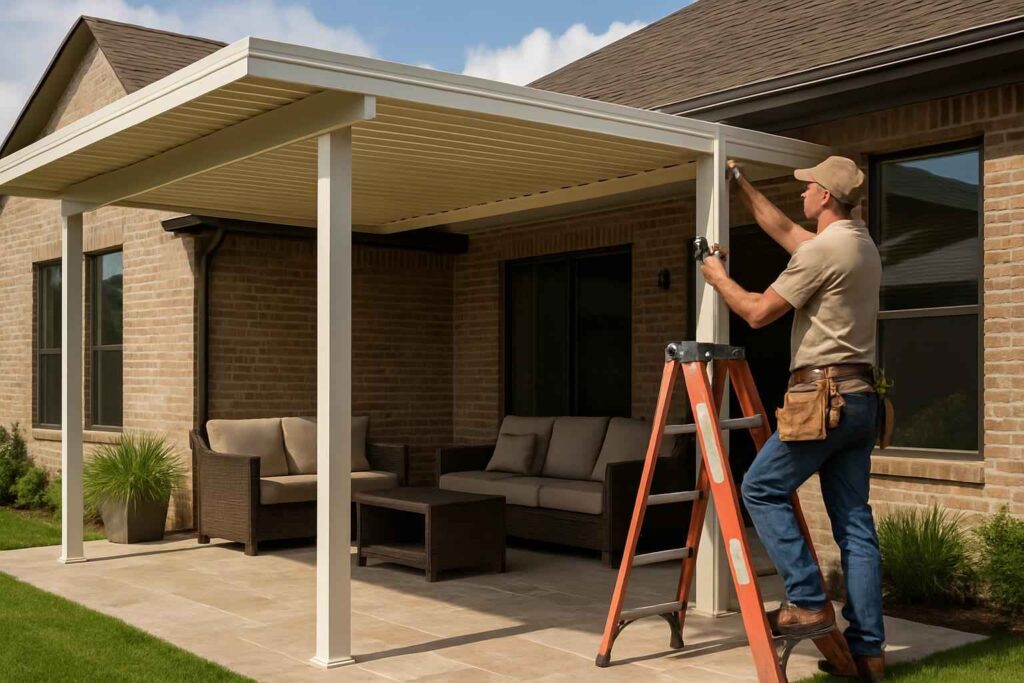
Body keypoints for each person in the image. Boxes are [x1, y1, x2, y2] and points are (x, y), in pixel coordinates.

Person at [699, 156, 885, 682]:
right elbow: (782, 228)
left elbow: (758, 312)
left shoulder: (824, 252)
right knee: (855, 525)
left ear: (825, 196)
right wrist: (738, 183)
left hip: (822, 399)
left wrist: (716, 277)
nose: (801, 195)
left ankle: (807, 600)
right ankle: (870, 651)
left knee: (759, 488)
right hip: (861, 399)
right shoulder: (859, 245)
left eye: (807, 188)